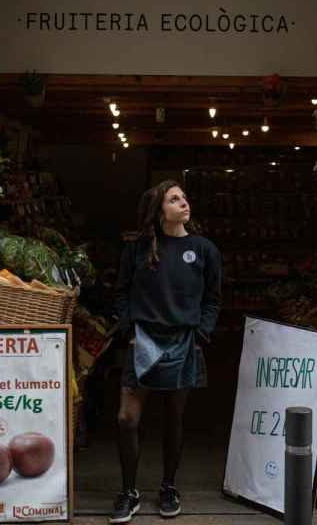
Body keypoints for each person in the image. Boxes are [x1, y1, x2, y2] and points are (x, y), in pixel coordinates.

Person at [109, 180, 222, 523]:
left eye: (184, 198)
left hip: (183, 341)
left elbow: (213, 298)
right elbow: (121, 292)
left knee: (174, 417)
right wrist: (129, 330)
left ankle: (168, 487)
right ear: (160, 210)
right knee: (127, 418)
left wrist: (201, 333)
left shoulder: (203, 250)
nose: (184, 203)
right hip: (142, 340)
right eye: (174, 200)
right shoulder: (138, 249)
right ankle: (129, 492)